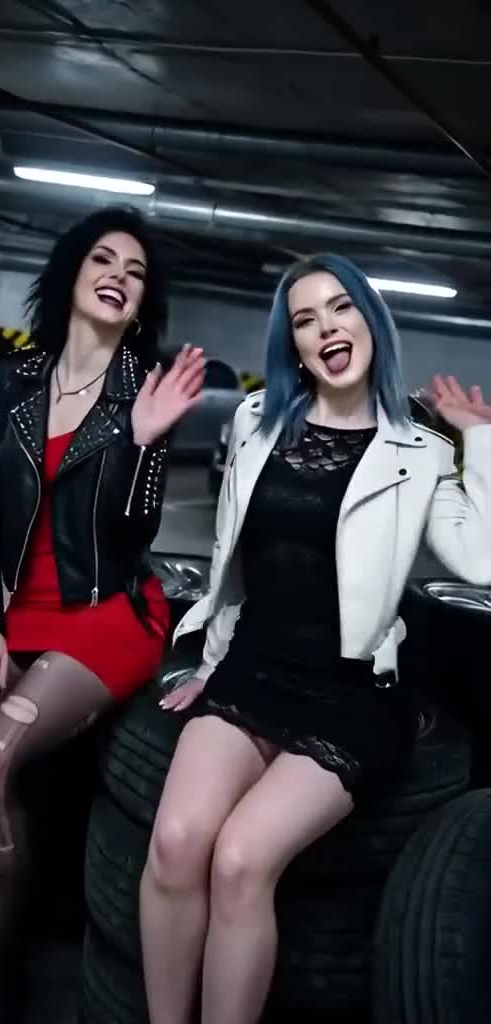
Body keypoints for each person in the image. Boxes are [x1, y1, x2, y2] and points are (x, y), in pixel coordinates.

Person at [139, 253, 491, 1024]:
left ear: (370, 321)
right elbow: (232, 560)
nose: (326, 327)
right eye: (305, 319)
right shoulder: (254, 423)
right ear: (294, 346)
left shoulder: (421, 450)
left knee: (240, 861)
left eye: (340, 307)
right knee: (176, 844)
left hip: (351, 695)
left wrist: (480, 440)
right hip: (252, 671)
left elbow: (483, 560)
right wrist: (212, 661)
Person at [0, 206, 204, 1021]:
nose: (118, 276)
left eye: (135, 272)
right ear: (73, 272)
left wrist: (141, 443)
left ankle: (0, 980)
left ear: (141, 305)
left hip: (107, 613)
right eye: (104, 259)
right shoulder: (16, 380)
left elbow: (130, 536)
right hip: (18, 611)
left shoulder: (140, 392)